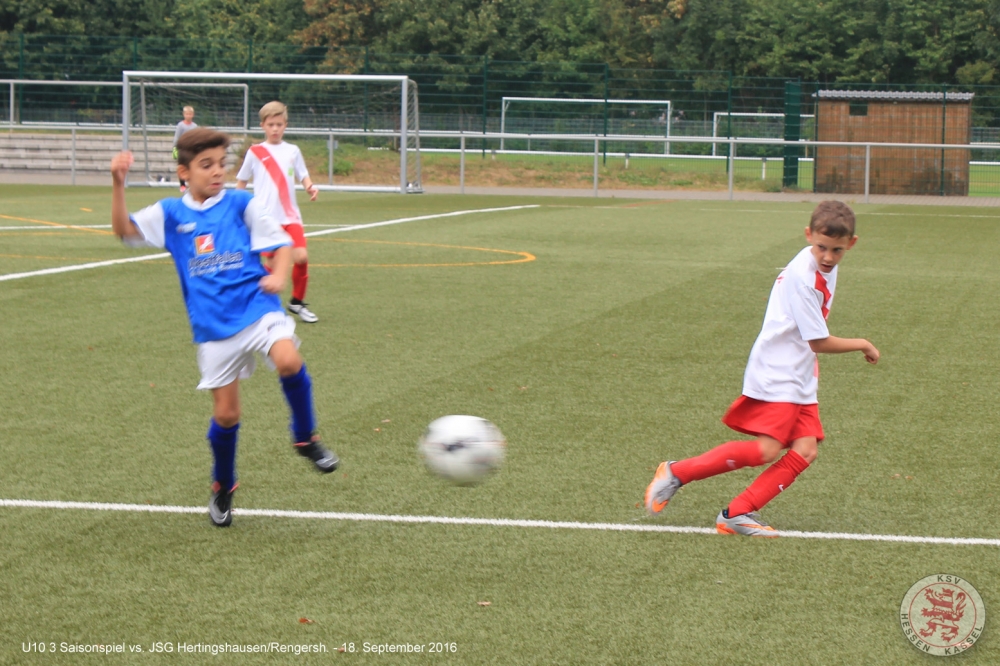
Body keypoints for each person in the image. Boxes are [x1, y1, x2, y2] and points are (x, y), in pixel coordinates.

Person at [110, 128, 339, 528]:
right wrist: (117, 184)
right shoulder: (170, 213)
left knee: (288, 358)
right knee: (227, 415)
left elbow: (282, 244)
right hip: (214, 329)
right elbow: (124, 231)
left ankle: (305, 438)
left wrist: (280, 276)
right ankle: (223, 484)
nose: (217, 172)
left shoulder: (239, 203)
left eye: (221, 164)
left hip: (257, 308)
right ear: (184, 172)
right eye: (206, 165)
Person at [644, 201, 879, 536]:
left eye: (837, 250)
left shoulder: (822, 262)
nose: (828, 256)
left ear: (852, 244)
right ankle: (677, 472)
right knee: (767, 449)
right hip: (779, 369)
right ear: (808, 235)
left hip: (799, 371)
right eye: (821, 247)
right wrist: (863, 343)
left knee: (806, 449)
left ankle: (737, 513)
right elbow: (818, 342)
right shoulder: (803, 279)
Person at [236, 101, 320, 323]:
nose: (275, 129)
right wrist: (235, 208)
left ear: (286, 125)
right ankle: (253, 300)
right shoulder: (255, 152)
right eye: (271, 124)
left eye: (279, 124)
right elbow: (242, 182)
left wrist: (310, 186)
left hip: (291, 216)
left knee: (301, 256)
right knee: (271, 269)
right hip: (265, 218)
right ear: (263, 125)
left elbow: (303, 174)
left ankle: (297, 302)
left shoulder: (293, 151)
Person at [172, 106, 198, 192]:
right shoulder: (180, 125)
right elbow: (177, 137)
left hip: (191, 150)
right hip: (182, 149)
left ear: (193, 115)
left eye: (190, 114)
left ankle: (192, 184)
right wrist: (175, 148)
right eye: (187, 114)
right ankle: (182, 185)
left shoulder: (194, 126)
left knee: (192, 167)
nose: (188, 115)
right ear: (184, 115)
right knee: (182, 167)